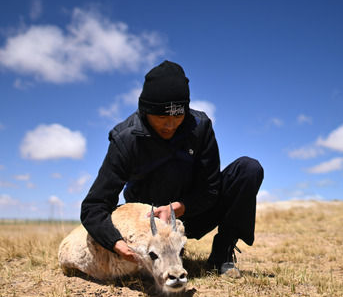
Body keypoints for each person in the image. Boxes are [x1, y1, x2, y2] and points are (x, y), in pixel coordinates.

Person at [81, 60, 264, 276]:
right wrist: (116, 243)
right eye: (161, 117)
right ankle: (161, 253)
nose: (170, 125)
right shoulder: (125, 139)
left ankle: (221, 254)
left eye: (178, 116)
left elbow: (210, 189)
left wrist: (180, 207)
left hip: (192, 212)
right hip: (150, 224)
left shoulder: (200, 127)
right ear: (145, 111)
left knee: (249, 169)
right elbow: (94, 206)